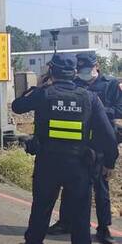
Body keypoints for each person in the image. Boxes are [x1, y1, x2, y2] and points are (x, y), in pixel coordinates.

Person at [13, 54, 118, 244]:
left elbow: (17, 106)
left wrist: (39, 86)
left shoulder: (44, 93)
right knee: (80, 217)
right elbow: (107, 135)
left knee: (41, 211)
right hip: (79, 166)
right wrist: (109, 162)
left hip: (48, 164)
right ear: (74, 73)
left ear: (51, 71)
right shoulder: (90, 98)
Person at [48, 53, 122, 243]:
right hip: (77, 143)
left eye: (86, 68)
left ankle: (104, 228)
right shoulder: (76, 84)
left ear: (96, 65)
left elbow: (119, 110)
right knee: (69, 185)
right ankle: (65, 222)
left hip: (101, 143)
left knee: (101, 187)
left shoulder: (112, 85)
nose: (83, 72)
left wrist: (93, 108)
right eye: (79, 69)